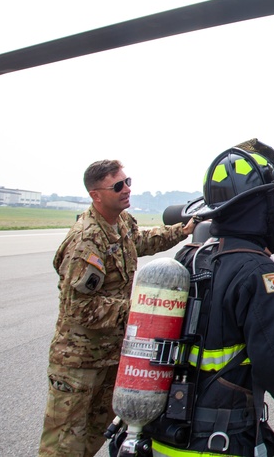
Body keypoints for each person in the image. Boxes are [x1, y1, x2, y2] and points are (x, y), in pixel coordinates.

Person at [150, 142, 274, 457]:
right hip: (219, 441)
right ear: (260, 206)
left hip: (163, 436)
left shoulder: (189, 257)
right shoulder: (258, 272)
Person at [39, 160, 196, 457]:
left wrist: (183, 230)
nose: (127, 189)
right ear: (96, 195)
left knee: (96, 433)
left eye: (127, 182)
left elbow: (141, 241)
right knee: (63, 443)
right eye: (118, 186)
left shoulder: (121, 223)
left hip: (110, 354)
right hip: (78, 362)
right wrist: (142, 311)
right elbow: (79, 308)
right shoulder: (85, 241)